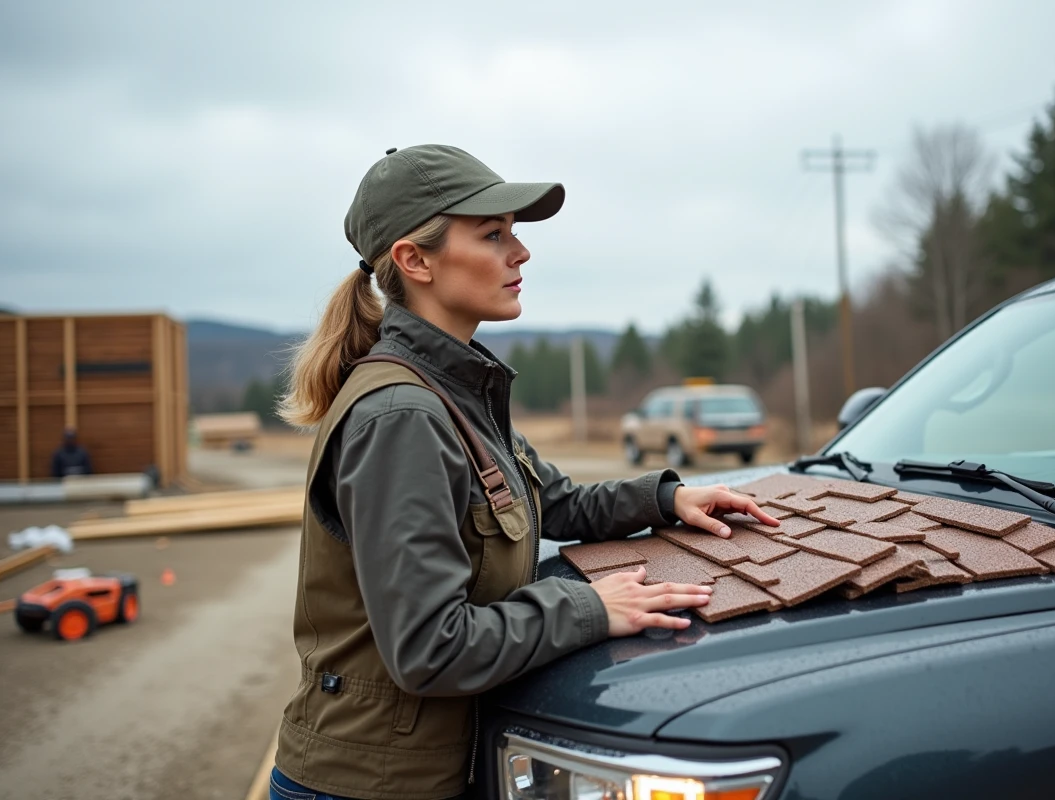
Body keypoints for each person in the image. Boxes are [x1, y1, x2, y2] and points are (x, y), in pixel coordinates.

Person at [268, 145, 779, 800]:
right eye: (493, 234)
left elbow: (552, 503)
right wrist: (588, 606)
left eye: (515, 233)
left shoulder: (452, 388)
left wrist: (667, 499)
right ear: (414, 259)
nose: (521, 252)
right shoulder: (403, 416)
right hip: (365, 787)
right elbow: (432, 647)